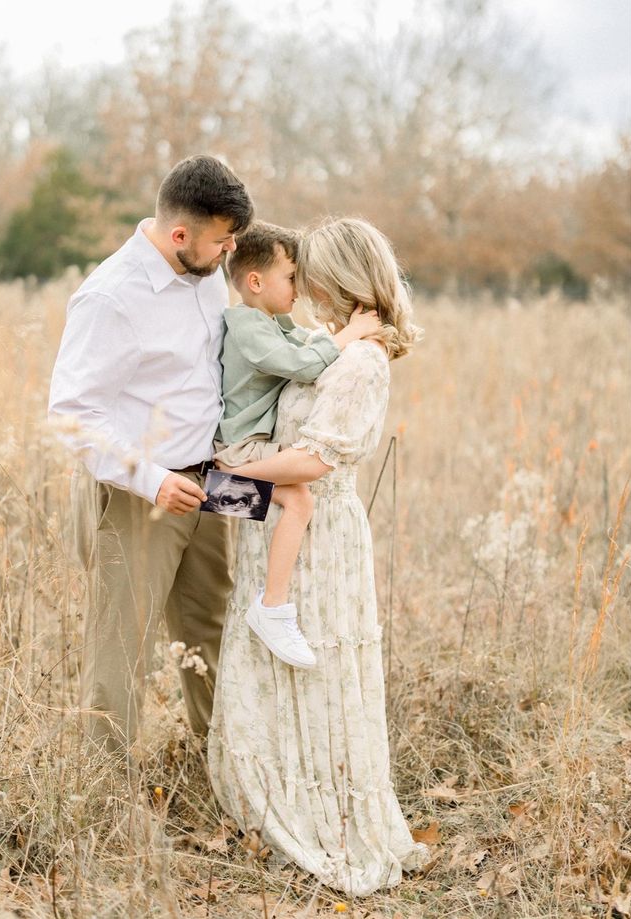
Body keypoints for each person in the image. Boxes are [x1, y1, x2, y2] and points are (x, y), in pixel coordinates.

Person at [208, 217, 430, 896]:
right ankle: (261, 805)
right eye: (293, 273)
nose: (302, 285)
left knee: (312, 667)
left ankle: (321, 813)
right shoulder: (325, 343)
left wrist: (224, 478)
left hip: (318, 535)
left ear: (340, 276)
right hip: (277, 521)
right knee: (267, 663)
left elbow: (317, 457)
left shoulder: (361, 360)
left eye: (311, 274)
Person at [48, 154, 254, 760]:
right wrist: (153, 479)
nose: (229, 253)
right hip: (142, 495)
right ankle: (103, 797)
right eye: (222, 241)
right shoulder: (110, 298)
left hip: (211, 486)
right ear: (180, 234)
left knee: (210, 630)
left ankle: (225, 767)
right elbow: (71, 415)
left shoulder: (208, 272)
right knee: (122, 647)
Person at [215, 220, 382, 669]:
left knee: (284, 502)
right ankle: (272, 606)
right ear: (255, 281)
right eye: (291, 278)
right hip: (240, 449)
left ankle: (268, 601)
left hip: (246, 452)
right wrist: (348, 335)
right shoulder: (245, 326)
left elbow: (309, 342)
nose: (299, 288)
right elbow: (300, 364)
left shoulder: (271, 320)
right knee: (300, 502)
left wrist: (343, 333)